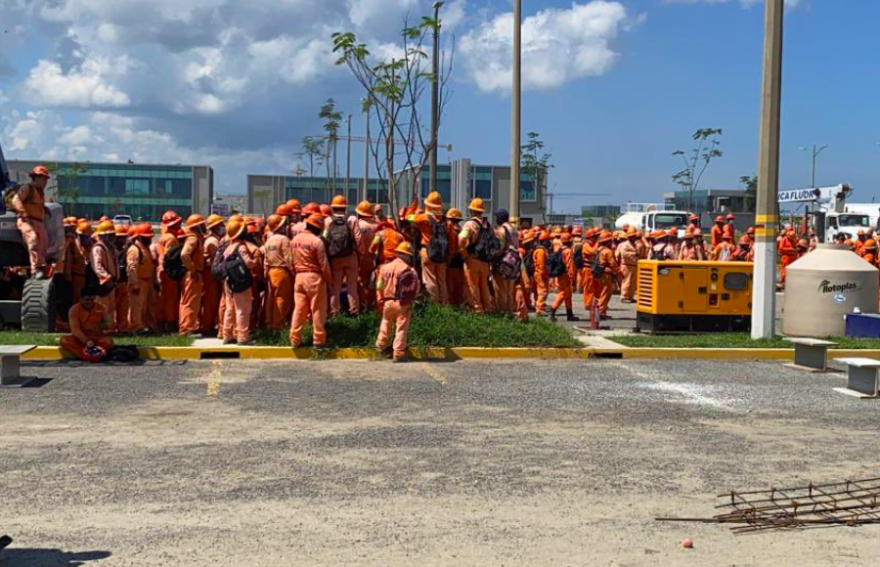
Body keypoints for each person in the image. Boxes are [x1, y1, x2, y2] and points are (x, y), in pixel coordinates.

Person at [290, 213, 332, 348]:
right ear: (318, 228)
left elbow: (290, 261)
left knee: (299, 309)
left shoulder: (295, 240)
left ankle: (295, 339)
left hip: (299, 277)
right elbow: (324, 264)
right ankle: (319, 340)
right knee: (318, 309)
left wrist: (296, 274)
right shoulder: (317, 241)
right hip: (314, 277)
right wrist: (329, 280)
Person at [376, 241, 421, 362]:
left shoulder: (384, 268)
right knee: (401, 328)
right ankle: (398, 353)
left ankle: (381, 346)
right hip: (403, 303)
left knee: (386, 322)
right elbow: (416, 288)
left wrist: (380, 298)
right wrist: (411, 300)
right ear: (407, 256)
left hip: (387, 301)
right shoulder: (409, 269)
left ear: (397, 253)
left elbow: (379, 286)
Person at [220, 217, 260, 345]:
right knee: (243, 309)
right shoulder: (241, 247)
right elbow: (248, 263)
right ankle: (243, 337)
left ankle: (227, 336)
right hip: (240, 281)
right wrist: (255, 262)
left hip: (228, 281)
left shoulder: (228, 247)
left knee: (230, 309)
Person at [408, 192, 451, 304]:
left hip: (428, 251)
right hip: (442, 252)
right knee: (441, 280)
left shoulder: (424, 218)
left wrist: (413, 206)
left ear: (427, 204)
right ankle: (444, 304)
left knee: (430, 278)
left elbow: (408, 217)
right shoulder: (445, 221)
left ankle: (434, 303)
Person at [11, 165, 51, 278]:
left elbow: (35, 205)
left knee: (44, 244)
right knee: (33, 240)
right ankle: (35, 269)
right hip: (27, 221)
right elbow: (16, 200)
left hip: (38, 222)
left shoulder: (40, 192)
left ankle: (41, 267)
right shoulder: (27, 188)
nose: (45, 182)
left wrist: (44, 209)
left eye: (46, 179)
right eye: (43, 179)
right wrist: (24, 214)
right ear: (36, 178)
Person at [325, 196, 360, 316]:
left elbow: (325, 239)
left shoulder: (328, 221)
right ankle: (354, 311)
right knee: (352, 287)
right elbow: (358, 239)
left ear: (333, 207)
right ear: (345, 207)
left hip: (335, 258)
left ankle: (334, 312)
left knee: (335, 287)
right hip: (351, 256)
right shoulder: (352, 219)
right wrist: (360, 254)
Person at [458, 198, 494, 314]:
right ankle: (488, 308)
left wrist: (464, 254)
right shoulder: (488, 225)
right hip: (485, 261)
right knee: (484, 286)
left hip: (473, 259)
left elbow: (461, 238)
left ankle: (477, 310)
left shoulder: (469, 224)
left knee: (472, 285)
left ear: (472, 211)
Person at [60, 289, 114, 362]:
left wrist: (101, 326)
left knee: (108, 342)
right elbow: (75, 331)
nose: (89, 302)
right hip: (80, 339)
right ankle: (86, 356)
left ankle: (96, 353)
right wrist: (86, 341)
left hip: (96, 338)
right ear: (80, 299)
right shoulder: (74, 309)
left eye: (92, 299)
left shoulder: (102, 308)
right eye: (86, 300)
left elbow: (109, 323)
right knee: (64, 341)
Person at [262, 214, 294, 331]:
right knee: (281, 299)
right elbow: (288, 258)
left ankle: (269, 324)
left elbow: (266, 259)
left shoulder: (269, 240)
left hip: (271, 271)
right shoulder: (284, 239)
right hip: (282, 271)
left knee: (270, 299)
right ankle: (278, 326)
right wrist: (294, 272)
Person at [89, 220, 119, 332]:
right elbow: (97, 266)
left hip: (111, 284)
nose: (113, 237)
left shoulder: (112, 249)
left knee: (110, 309)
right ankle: (99, 330)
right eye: (110, 235)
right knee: (101, 308)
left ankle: (109, 330)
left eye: (113, 234)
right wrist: (107, 278)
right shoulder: (98, 248)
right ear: (103, 236)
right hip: (102, 285)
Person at [179, 214, 207, 336]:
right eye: (202, 224)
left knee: (190, 301)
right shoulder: (193, 239)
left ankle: (187, 327)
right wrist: (193, 270)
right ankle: (186, 329)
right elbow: (184, 254)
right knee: (190, 302)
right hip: (193, 275)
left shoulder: (195, 238)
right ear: (197, 226)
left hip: (192, 274)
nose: (204, 226)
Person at [126, 223, 155, 334]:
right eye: (146, 237)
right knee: (136, 306)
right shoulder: (135, 249)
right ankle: (135, 327)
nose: (149, 239)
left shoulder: (145, 248)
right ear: (139, 237)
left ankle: (141, 325)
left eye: (150, 237)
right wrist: (134, 284)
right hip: (138, 281)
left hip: (146, 281)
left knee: (142, 306)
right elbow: (131, 268)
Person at [157, 211, 183, 332]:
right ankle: (170, 322)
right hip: (169, 272)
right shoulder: (172, 239)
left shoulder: (163, 237)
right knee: (171, 299)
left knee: (163, 298)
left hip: (162, 271)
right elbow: (170, 256)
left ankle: (162, 322)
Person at [200, 214, 224, 336]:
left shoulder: (213, 239)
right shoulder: (212, 241)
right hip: (210, 273)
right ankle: (206, 326)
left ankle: (209, 324)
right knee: (211, 300)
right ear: (215, 226)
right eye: (221, 224)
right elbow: (217, 258)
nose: (223, 226)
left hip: (211, 272)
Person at [353, 200, 378, 311]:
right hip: (374, 258)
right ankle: (371, 304)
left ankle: (363, 305)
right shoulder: (376, 225)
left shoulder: (358, 225)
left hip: (361, 257)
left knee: (361, 282)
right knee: (372, 282)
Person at [549, 233, 578, 321]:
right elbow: (569, 265)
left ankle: (570, 314)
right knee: (563, 293)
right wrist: (572, 278)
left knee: (568, 295)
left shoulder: (560, 249)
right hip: (565, 275)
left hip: (561, 274)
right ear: (570, 241)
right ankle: (552, 310)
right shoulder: (568, 251)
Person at [593, 231, 619, 319]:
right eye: (610, 241)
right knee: (606, 294)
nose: (612, 242)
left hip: (599, 273)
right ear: (607, 241)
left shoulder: (598, 250)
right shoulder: (608, 251)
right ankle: (600, 313)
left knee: (602, 293)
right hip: (606, 274)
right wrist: (619, 272)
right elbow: (613, 264)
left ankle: (602, 312)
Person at [445, 208, 467, 307]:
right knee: (460, 285)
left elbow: (452, 247)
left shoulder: (451, 230)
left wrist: (449, 259)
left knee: (450, 285)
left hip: (452, 261)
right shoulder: (461, 229)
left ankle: (452, 305)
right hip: (460, 260)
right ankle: (459, 304)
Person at [112, 225, 131, 333]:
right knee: (111, 308)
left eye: (124, 237)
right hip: (112, 284)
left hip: (123, 283)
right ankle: (112, 327)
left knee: (123, 308)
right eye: (120, 238)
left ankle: (122, 328)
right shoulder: (110, 251)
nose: (122, 240)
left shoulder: (126, 251)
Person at [616, 229, 639, 303]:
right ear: (629, 237)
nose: (634, 237)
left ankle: (631, 296)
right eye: (633, 236)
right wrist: (633, 254)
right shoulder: (625, 244)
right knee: (626, 281)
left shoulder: (634, 244)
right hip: (626, 265)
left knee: (633, 282)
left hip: (634, 265)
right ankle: (624, 296)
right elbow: (623, 254)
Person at [533, 232, 552, 315]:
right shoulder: (541, 251)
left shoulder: (542, 250)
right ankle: (539, 308)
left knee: (542, 290)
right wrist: (543, 274)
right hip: (540, 273)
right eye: (547, 240)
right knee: (543, 291)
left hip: (540, 273)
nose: (549, 242)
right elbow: (541, 264)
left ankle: (540, 305)